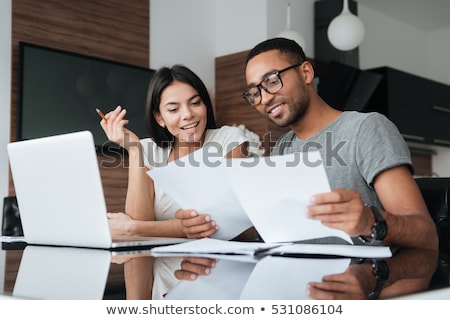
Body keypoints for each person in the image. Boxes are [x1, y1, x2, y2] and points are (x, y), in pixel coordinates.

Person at [176, 37, 438, 251]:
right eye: (254, 92)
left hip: (363, 284)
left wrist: (371, 221)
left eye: (271, 81)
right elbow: (273, 228)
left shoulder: (366, 128)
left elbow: (425, 233)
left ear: (306, 72)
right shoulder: (283, 146)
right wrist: (211, 225)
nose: (264, 98)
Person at [100, 64, 249, 298]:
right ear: (159, 118)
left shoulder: (228, 140)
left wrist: (133, 228)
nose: (187, 114)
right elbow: (141, 237)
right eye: (173, 109)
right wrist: (135, 151)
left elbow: (225, 224)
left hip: (218, 279)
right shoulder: (148, 149)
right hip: (164, 288)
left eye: (195, 102)